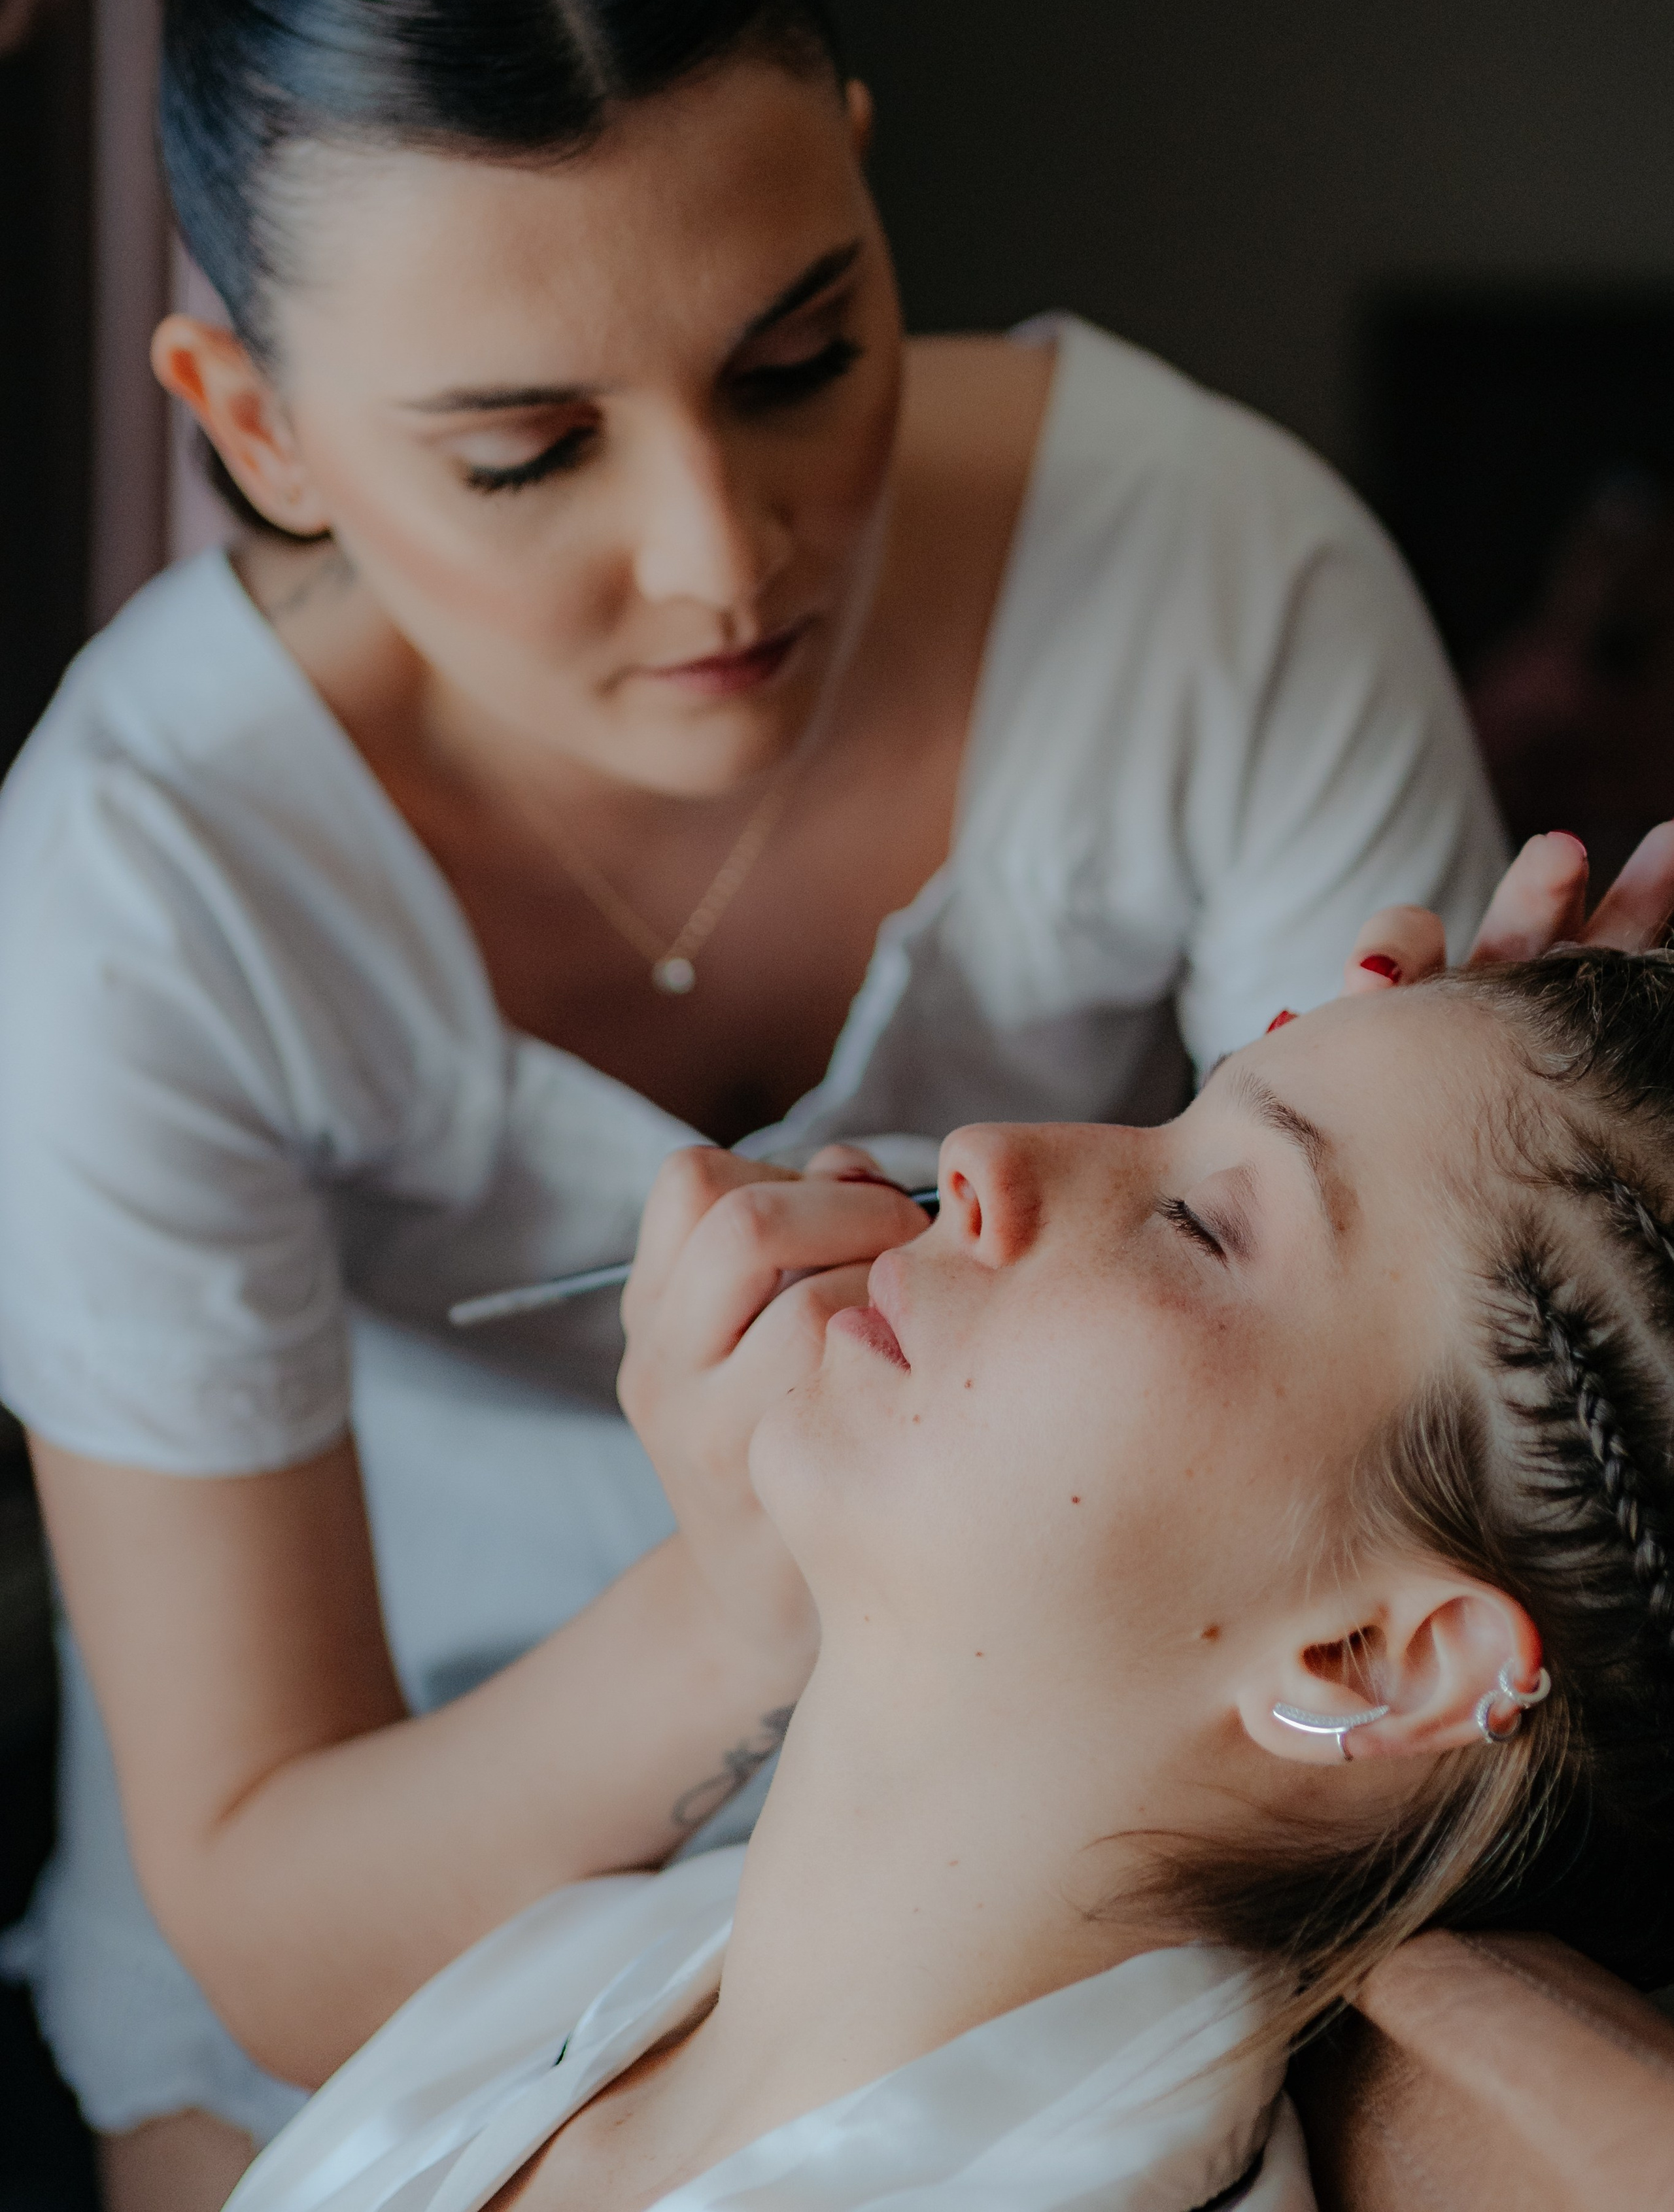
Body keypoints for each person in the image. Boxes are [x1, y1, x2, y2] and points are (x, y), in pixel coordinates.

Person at [0, 0, 1639, 2203]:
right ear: (257, 426)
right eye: (527, 450)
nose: (724, 558)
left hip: (1058, 1789)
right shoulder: (143, 874)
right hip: (410, 1882)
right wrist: (740, 1598)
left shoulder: (1221, 596)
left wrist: (1557, 1142)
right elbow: (268, 1907)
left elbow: (1417, 1459)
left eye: (800, 356)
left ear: (870, 193)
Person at [214, 932, 1674, 2210]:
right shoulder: (571, 1968)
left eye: (1201, 1220)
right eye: (1175, 1114)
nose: (985, 1154)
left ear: (1371, 1656)